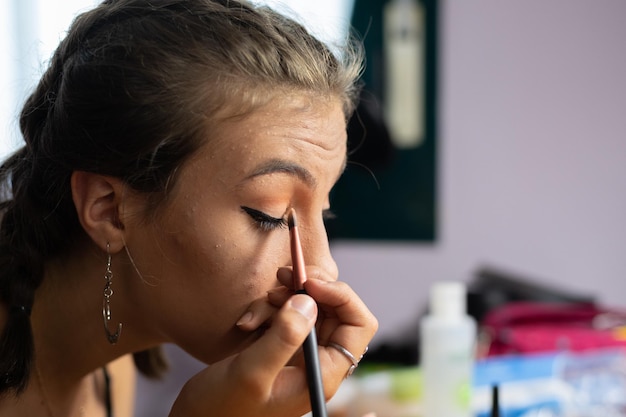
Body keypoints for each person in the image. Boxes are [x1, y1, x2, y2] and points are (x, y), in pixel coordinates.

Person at [0, 0, 378, 416]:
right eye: (267, 215)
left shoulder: (112, 366)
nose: (323, 269)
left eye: (322, 214)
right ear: (108, 210)